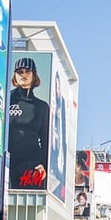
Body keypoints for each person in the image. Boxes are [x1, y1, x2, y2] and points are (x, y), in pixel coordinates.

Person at [8, 57, 50, 188]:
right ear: (15, 75)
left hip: (32, 165)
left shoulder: (42, 106)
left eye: (27, 71)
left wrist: (44, 164)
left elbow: (45, 140)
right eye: (20, 71)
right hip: (6, 161)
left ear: (34, 75)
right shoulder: (6, 99)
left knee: (31, 202)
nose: (23, 74)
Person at [49, 70, 67, 201]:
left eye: (58, 86)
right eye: (55, 85)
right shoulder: (51, 105)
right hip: (50, 154)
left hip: (58, 160)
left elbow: (64, 136)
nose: (56, 89)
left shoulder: (63, 107)